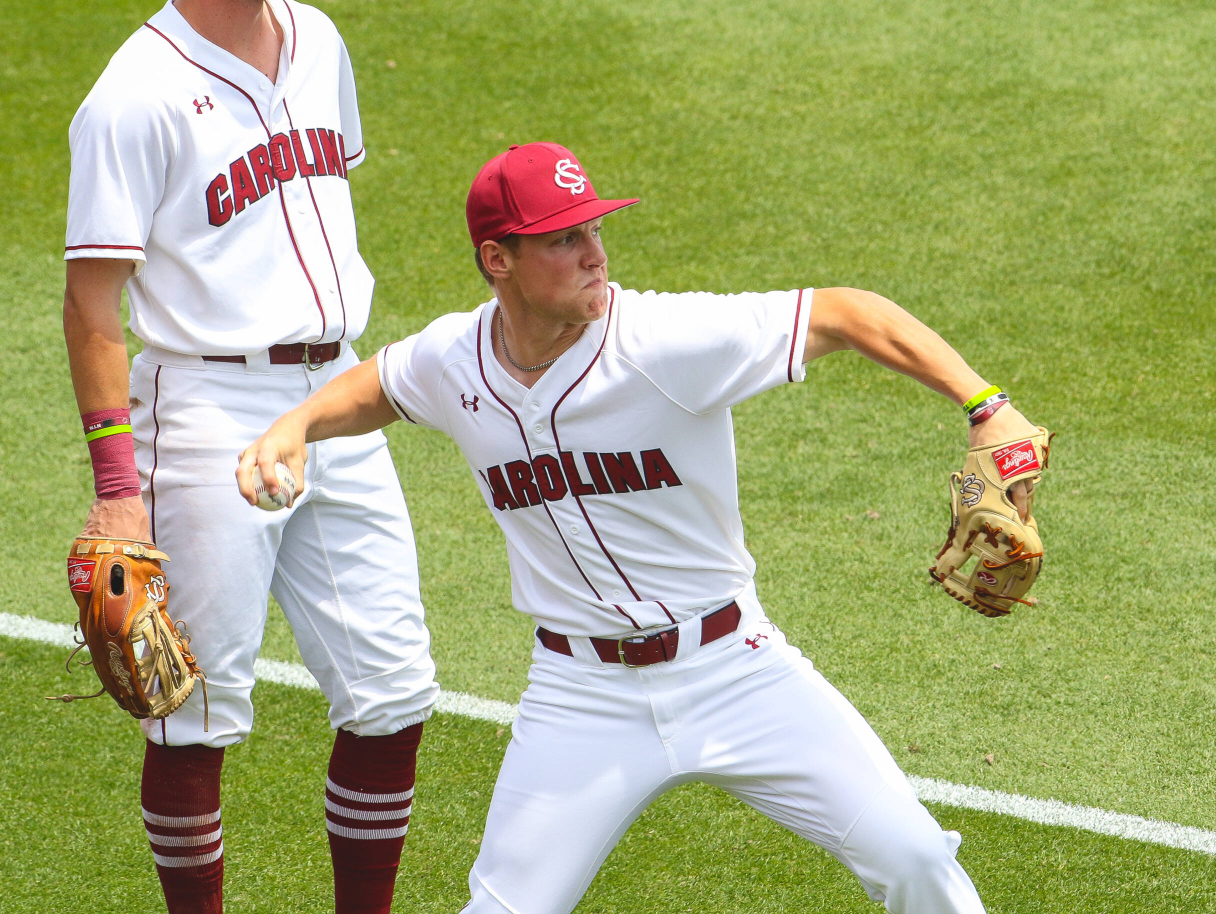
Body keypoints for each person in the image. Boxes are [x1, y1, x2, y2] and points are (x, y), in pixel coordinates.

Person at [239, 142, 1041, 914]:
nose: (595, 252)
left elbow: (845, 314)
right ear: (498, 261)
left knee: (917, 861)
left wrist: (987, 406)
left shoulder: (664, 341)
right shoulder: (454, 358)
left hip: (737, 671)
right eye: (564, 238)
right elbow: (377, 384)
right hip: (579, 696)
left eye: (595, 227)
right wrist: (294, 428)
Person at [62, 2, 438, 912]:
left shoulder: (318, 36)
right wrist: (119, 493)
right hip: (204, 405)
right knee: (192, 716)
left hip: (335, 397)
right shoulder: (132, 95)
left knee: (394, 693)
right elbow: (89, 305)